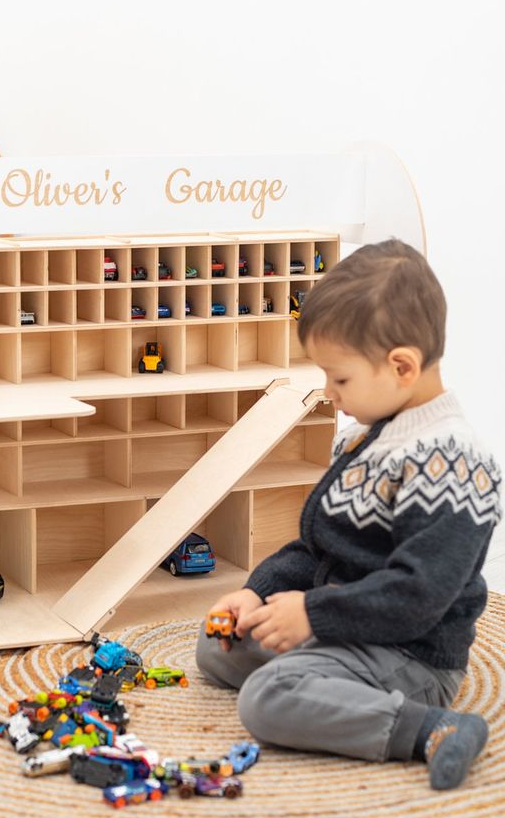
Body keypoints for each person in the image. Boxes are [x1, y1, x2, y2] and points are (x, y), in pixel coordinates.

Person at [196, 239, 501, 790]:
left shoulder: (452, 459)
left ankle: (428, 726)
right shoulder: (363, 439)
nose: (330, 395)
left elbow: (418, 597)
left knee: (268, 699)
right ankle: (320, 680)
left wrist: (314, 615)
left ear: (401, 366)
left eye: (340, 379)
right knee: (218, 647)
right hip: (345, 628)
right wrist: (256, 594)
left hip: (411, 654)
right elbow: (319, 548)